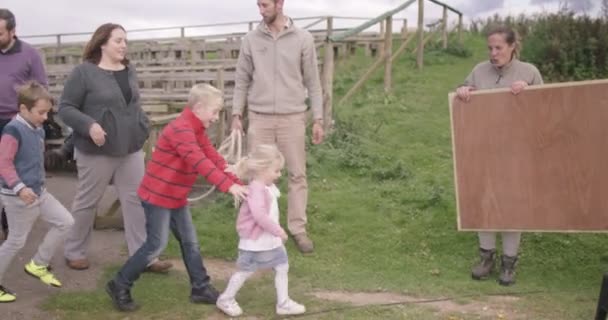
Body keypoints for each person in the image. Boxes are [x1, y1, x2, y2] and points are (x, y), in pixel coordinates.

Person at [105, 83, 248, 312]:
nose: (216, 117)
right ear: (199, 107)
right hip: (158, 196)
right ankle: (119, 284)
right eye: (215, 111)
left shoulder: (196, 128)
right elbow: (198, 161)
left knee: (190, 242)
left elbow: (210, 155)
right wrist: (227, 187)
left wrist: (236, 182)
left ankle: (200, 287)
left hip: (175, 197)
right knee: (155, 245)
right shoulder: (181, 129)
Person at [57, 23, 171, 273]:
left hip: (130, 149)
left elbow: (132, 105)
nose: (123, 45)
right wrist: (89, 125)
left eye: (125, 41)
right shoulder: (83, 73)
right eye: (118, 40)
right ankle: (74, 251)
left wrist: (141, 125)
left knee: (136, 202)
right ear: (103, 43)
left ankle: (144, 256)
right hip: (96, 150)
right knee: (87, 202)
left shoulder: (129, 70)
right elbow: (65, 108)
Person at [231, 0, 324, 253]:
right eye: (258, 5)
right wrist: (237, 113)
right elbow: (241, 79)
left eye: (265, 5)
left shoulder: (303, 38)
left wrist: (318, 118)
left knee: (297, 174)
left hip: (292, 117)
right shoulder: (250, 40)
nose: (261, 10)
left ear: (280, 3)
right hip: (259, 117)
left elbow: (313, 82)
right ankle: (255, 226)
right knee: (255, 175)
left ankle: (297, 228)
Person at [456, 26, 543, 286]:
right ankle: (486, 259)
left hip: (517, 152)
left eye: (499, 48)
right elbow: (463, 92)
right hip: (484, 150)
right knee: (485, 203)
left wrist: (530, 93)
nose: (493, 53)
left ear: (512, 46)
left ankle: (508, 264)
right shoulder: (479, 70)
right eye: (490, 48)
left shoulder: (529, 72)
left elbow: (546, 109)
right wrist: (463, 91)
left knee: (512, 207)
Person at [0, 82, 74, 302]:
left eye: (47, 112)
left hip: (39, 192)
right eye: (41, 112)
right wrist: (20, 188)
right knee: (16, 241)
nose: (45, 117)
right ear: (24, 109)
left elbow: (34, 159)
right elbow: (4, 164)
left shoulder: (38, 128)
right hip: (18, 197)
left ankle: (38, 264)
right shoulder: (13, 130)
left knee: (66, 222)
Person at [216, 144, 306, 317]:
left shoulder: (265, 187)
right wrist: (279, 231)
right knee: (245, 271)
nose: (279, 174)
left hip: (269, 240)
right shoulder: (257, 189)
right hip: (255, 242)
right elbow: (260, 216)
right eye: (276, 171)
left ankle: (283, 303)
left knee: (282, 265)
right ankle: (225, 299)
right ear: (263, 169)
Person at [0, 8, 48, 241]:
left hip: (16, 122)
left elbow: (41, 88)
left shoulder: (30, 54)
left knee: (14, 171)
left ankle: (11, 226)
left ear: (13, 31)